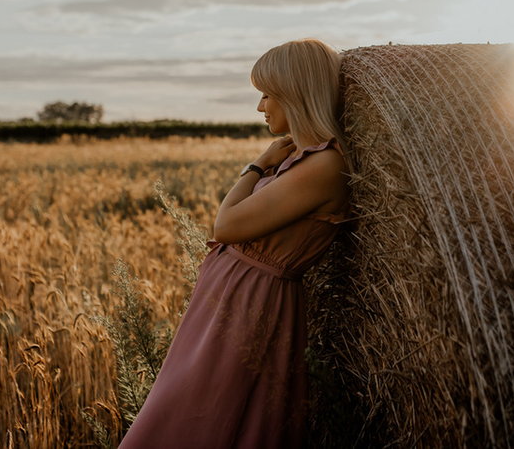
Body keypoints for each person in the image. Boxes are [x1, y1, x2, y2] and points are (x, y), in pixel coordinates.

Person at [119, 39, 350, 448]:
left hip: (251, 304)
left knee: (205, 413)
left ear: (295, 94)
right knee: (185, 406)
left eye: (266, 95)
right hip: (231, 296)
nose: (260, 107)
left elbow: (226, 225)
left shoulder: (323, 165)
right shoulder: (301, 158)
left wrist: (257, 164)